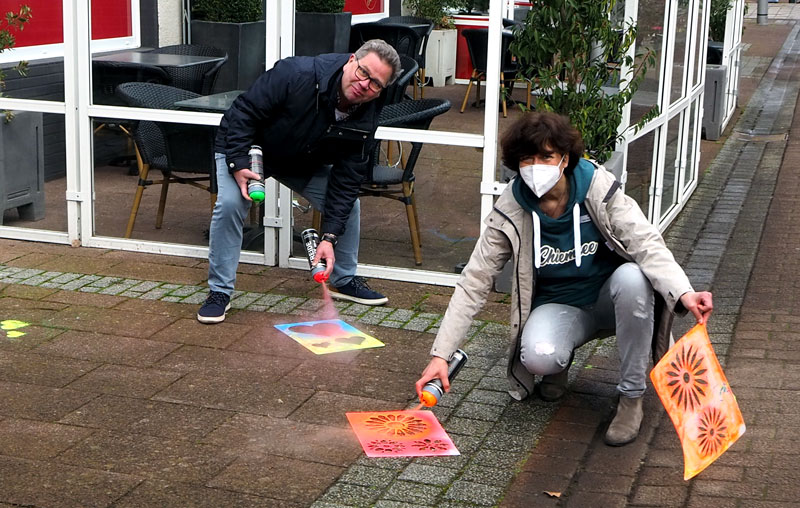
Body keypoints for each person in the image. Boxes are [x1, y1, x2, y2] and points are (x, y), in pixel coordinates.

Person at [415, 112, 713, 446]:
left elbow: (646, 241)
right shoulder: (512, 207)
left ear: (565, 158)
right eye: (527, 158)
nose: (535, 165)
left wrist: (684, 292)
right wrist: (441, 355)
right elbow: (474, 281)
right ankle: (559, 365)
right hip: (559, 306)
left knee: (633, 278)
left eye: (546, 156)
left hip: (610, 298)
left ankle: (631, 397)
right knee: (539, 355)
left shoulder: (596, 186)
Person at [197, 40, 402, 324]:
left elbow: (348, 176)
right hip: (248, 146)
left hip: (300, 158)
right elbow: (243, 113)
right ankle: (219, 292)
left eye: (376, 84)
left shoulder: (368, 112)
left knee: (348, 205)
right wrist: (239, 163)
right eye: (363, 72)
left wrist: (329, 237)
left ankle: (344, 280)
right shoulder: (297, 74)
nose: (365, 84)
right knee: (231, 203)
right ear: (351, 60)